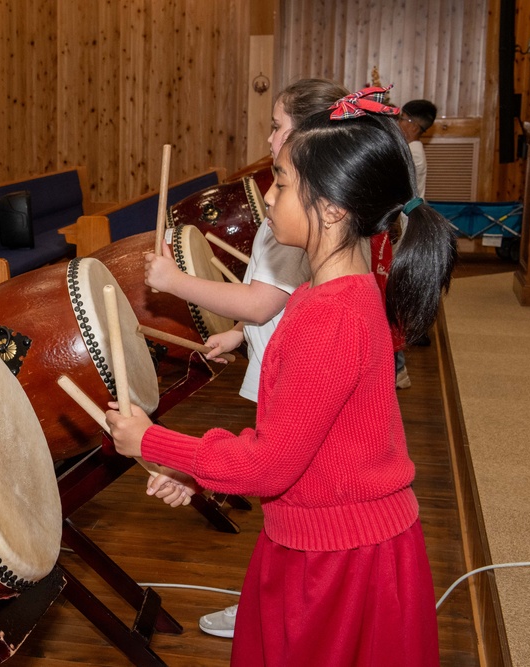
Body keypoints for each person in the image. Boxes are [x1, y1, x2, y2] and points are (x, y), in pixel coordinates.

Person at [107, 87, 455, 665]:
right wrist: (198, 474)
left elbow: (270, 464)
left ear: (334, 207)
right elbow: (298, 446)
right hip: (319, 536)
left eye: (285, 183)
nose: (268, 196)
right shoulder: (331, 295)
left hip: (340, 560)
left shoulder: (331, 316)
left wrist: (150, 440)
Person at [143, 79, 346, 639]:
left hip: (290, 370)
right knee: (282, 494)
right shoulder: (304, 210)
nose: (269, 135)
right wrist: (236, 336)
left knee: (280, 486)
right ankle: (267, 595)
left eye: (279, 126)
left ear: (308, 138)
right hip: (277, 358)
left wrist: (176, 281)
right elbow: (270, 299)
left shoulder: (299, 213)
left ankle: (271, 602)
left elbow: (262, 303)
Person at [393, 98, 438, 388]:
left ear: (412, 125)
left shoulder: (412, 153)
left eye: (401, 118)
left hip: (403, 231)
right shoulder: (411, 149)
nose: (398, 122)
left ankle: (397, 368)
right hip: (403, 229)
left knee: (390, 299)